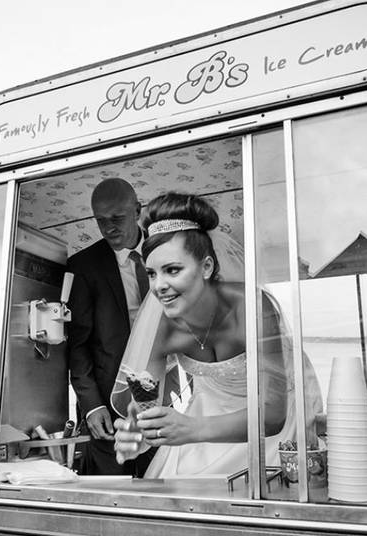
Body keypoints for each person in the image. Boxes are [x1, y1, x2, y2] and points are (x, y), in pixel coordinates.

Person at [112, 192, 296, 477]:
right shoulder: (163, 325)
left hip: (270, 423)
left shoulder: (253, 307)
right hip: (201, 418)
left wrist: (194, 428)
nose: (159, 286)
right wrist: (138, 436)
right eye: (151, 273)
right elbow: (146, 407)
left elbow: (273, 415)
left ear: (206, 267)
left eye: (172, 270)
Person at [67, 178, 157, 475]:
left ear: (137, 210)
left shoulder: (166, 251)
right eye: (100, 221)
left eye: (117, 218)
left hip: (169, 397)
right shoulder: (84, 266)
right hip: (109, 408)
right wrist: (91, 405)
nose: (109, 229)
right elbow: (77, 345)